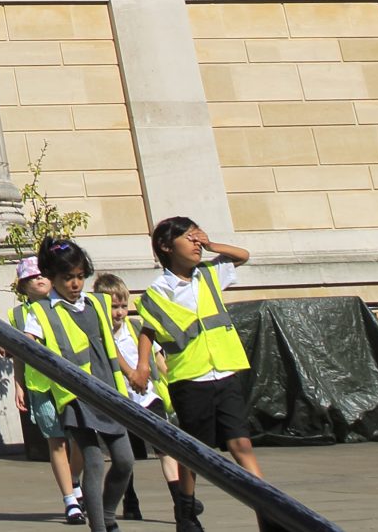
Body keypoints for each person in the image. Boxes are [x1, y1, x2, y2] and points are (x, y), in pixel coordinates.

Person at [137, 218, 260, 532]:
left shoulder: (208, 275)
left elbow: (242, 255)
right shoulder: (159, 290)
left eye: (198, 237)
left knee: (240, 444)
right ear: (166, 246)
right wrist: (142, 367)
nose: (196, 243)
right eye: (188, 238)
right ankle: (186, 508)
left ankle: (267, 507)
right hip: (190, 379)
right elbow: (148, 331)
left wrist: (212, 245)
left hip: (226, 370)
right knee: (194, 452)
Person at [26, 241, 145, 532]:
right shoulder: (40, 312)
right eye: (68, 277)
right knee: (92, 461)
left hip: (109, 393)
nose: (76, 283)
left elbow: (111, 345)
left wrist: (131, 373)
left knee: (125, 461)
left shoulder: (98, 303)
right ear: (52, 277)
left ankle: (106, 514)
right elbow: (28, 344)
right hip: (76, 398)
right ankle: (100, 528)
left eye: (80, 276)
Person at [94, 273, 175, 523]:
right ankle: (130, 499)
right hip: (120, 401)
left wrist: (170, 379)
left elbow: (159, 361)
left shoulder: (137, 328)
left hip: (149, 398)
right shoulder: (99, 333)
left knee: (167, 449)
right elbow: (111, 354)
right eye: (113, 307)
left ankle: (181, 501)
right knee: (126, 458)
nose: (119, 313)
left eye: (122, 306)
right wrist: (131, 373)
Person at [9, 256, 81, 525]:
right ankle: (70, 500)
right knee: (56, 441)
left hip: (71, 382)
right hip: (40, 385)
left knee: (82, 441)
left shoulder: (64, 306)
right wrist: (18, 384)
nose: (38, 280)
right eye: (31, 278)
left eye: (42, 275)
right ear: (23, 286)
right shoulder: (18, 315)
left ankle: (74, 481)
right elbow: (18, 353)